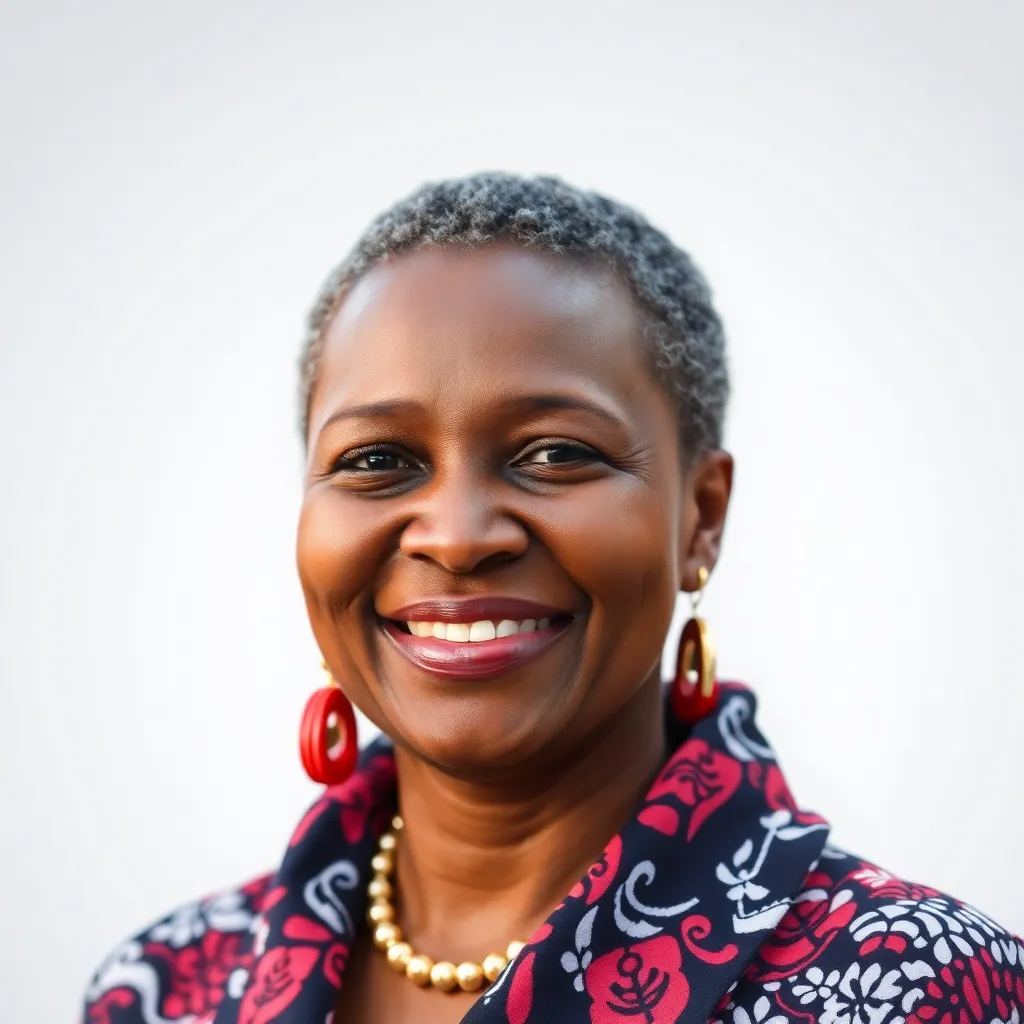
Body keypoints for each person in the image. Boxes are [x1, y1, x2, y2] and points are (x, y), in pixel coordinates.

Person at [81, 173, 1024, 1024]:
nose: (455, 536)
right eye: (377, 461)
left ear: (700, 517)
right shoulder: (166, 987)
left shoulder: (914, 989)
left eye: (557, 454)